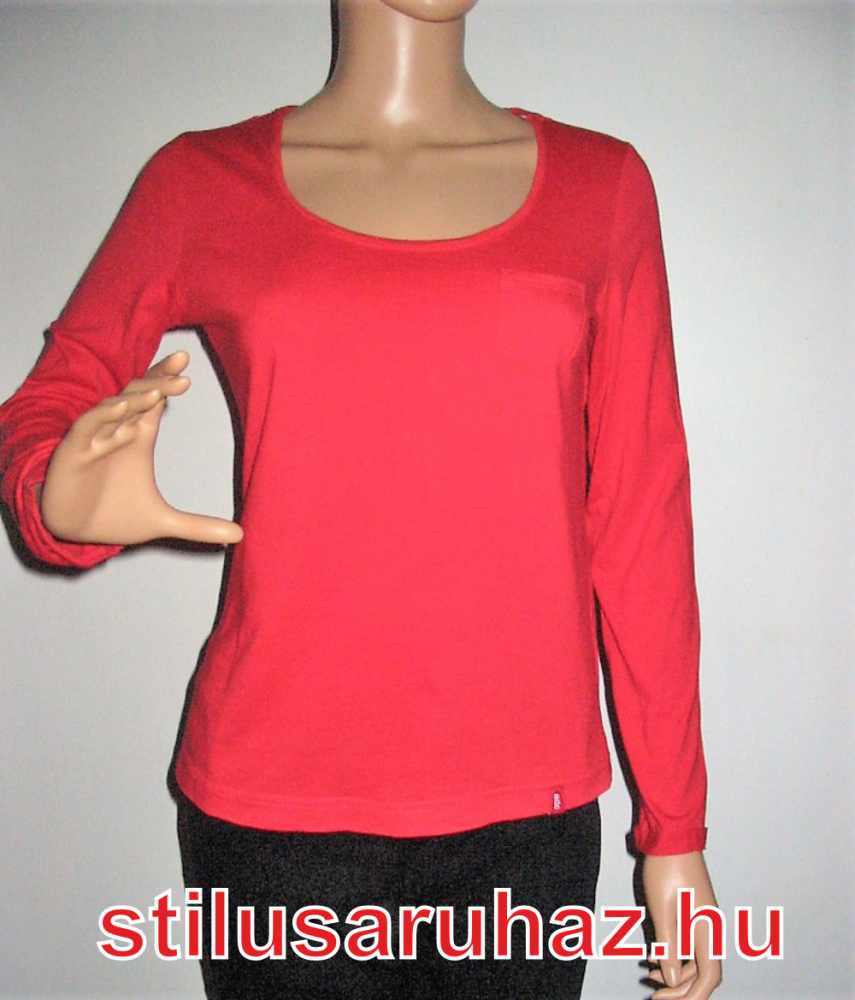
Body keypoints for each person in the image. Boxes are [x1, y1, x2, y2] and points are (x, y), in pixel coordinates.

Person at [0, 1, 722, 997]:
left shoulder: (602, 189)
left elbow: (642, 517)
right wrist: (54, 496)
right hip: (273, 814)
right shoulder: (201, 182)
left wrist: (675, 827)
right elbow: (54, 394)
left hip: (527, 817)